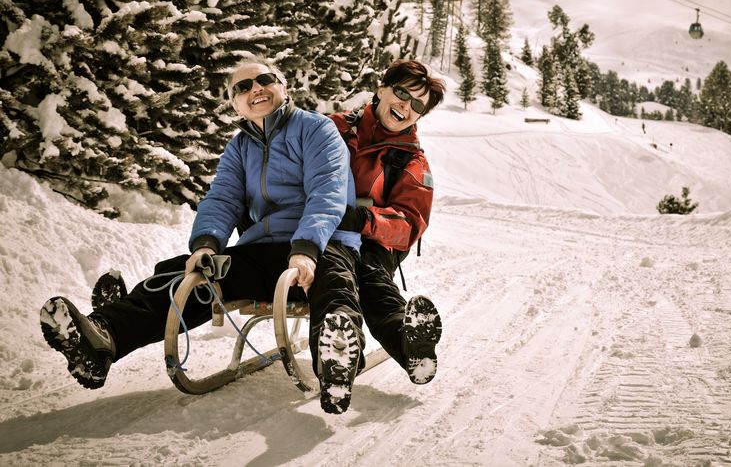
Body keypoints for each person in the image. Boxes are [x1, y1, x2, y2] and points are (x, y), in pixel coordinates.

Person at [40, 57, 365, 414]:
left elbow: (327, 192)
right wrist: (207, 244)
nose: (255, 89)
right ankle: (104, 338)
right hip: (261, 251)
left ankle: (334, 363)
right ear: (235, 105)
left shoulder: (316, 130)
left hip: (322, 244)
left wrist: (305, 249)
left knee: (333, 282)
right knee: (186, 275)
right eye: (242, 87)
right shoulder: (240, 148)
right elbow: (222, 198)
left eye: (264, 80)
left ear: (282, 87)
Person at [331, 59, 445, 384]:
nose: (405, 106)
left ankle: (409, 343)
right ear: (381, 89)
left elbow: (410, 223)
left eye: (417, 104)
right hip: (320, 230)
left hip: (374, 241)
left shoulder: (411, 160)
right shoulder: (334, 128)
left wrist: (365, 219)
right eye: (401, 93)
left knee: (367, 276)